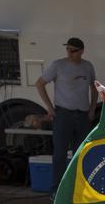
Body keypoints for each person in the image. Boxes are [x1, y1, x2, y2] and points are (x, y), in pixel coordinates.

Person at [35, 37, 97, 191]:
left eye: (73, 50)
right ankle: (56, 189)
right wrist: (50, 108)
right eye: (67, 49)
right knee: (60, 154)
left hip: (82, 115)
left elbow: (94, 87)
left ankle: (79, 188)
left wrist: (92, 109)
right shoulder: (58, 65)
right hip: (63, 114)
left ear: (82, 51)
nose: (69, 53)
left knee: (80, 154)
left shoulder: (87, 66)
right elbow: (40, 83)